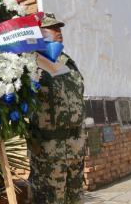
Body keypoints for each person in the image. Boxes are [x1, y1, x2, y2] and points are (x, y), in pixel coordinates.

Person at [28, 13, 86, 204]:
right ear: (40, 32)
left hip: (74, 145)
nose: (58, 32)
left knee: (75, 196)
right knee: (49, 198)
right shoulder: (32, 62)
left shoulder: (67, 61)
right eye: (52, 28)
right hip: (49, 149)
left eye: (59, 28)